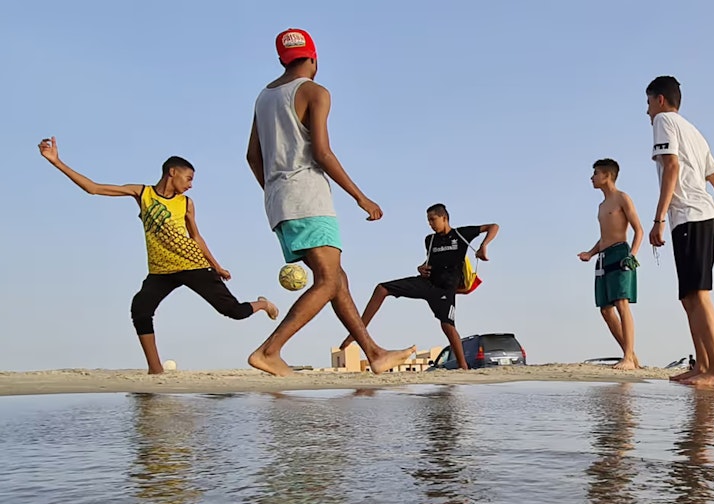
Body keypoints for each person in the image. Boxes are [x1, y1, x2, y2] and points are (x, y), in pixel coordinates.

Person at [245, 28, 413, 376]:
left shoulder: (263, 98)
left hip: (279, 201)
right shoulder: (315, 92)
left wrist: (275, 191)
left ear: (281, 59)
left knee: (338, 279)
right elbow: (321, 152)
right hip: (308, 197)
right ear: (315, 58)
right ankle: (269, 350)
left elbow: (252, 156)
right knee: (327, 281)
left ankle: (374, 352)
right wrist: (360, 197)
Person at [38, 137, 278, 374]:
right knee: (140, 308)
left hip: (192, 264)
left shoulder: (186, 203)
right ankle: (155, 369)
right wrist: (57, 162)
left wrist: (216, 266)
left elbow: (196, 237)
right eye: (189, 178)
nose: (191, 184)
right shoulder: (142, 193)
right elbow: (94, 188)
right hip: (161, 270)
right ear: (172, 172)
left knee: (234, 311)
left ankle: (262, 303)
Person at [645, 75, 714, 386]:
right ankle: (702, 365)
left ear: (659, 100)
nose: (646, 112)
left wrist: (657, 219)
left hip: (691, 217)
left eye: (647, 103)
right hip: (705, 219)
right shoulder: (695, 133)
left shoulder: (664, 121)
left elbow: (671, 167)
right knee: (688, 297)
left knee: (698, 294)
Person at [340, 204, 499, 370]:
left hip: (445, 289)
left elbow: (493, 227)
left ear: (444, 218)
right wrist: (421, 268)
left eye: (433, 220)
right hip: (426, 283)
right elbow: (430, 262)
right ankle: (356, 332)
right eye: (428, 220)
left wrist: (483, 246)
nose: (430, 224)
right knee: (382, 288)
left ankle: (463, 367)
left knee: (448, 326)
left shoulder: (461, 234)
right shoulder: (429, 240)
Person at [577, 159, 643, 370]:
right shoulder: (601, 206)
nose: (592, 177)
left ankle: (627, 358)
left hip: (621, 253)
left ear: (607, 175)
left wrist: (632, 255)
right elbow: (604, 237)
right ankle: (631, 355)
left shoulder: (622, 198)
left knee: (621, 303)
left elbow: (638, 230)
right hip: (603, 257)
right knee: (605, 310)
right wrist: (590, 252)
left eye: (595, 173)